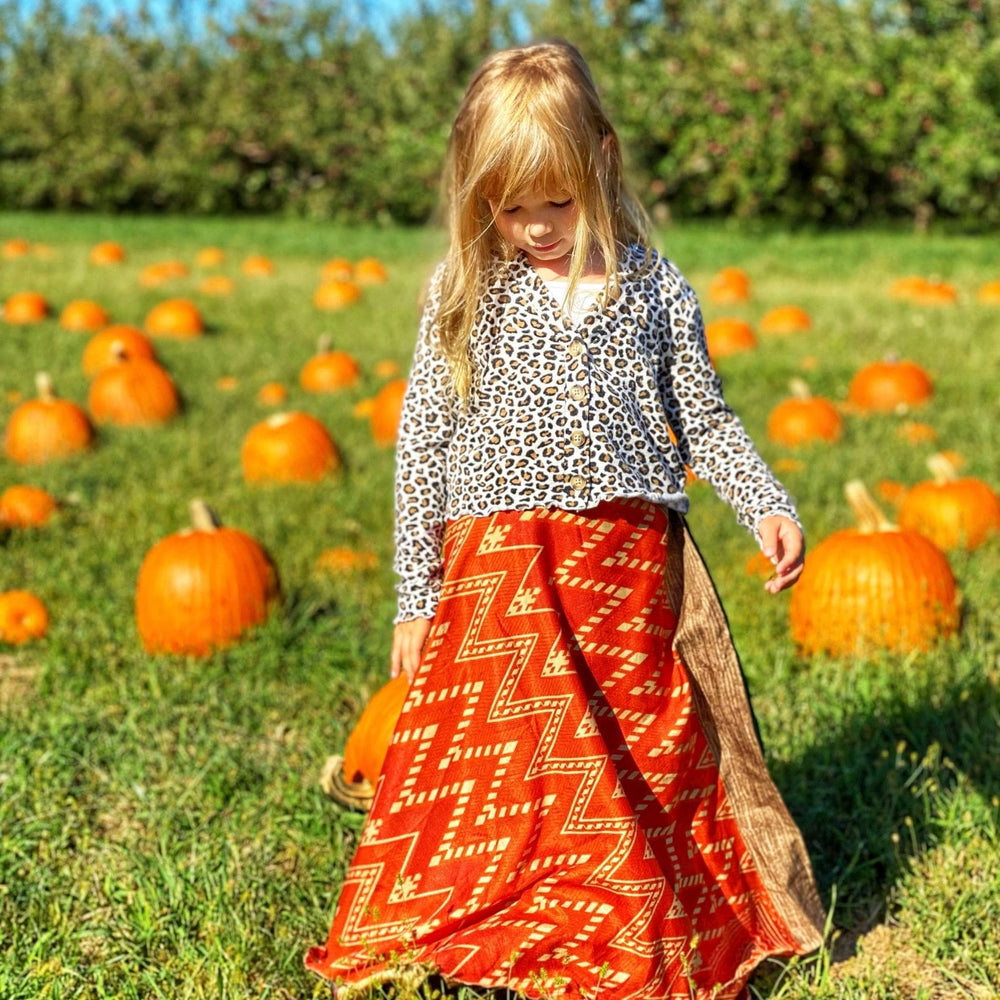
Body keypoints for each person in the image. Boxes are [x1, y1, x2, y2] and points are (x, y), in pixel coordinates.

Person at [306, 39, 824, 1000]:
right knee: (518, 768)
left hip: (628, 566)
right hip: (503, 568)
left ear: (604, 166)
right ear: (479, 198)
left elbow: (702, 419)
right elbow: (423, 449)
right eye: (511, 208)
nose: (538, 228)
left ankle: (627, 924)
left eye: (559, 202)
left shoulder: (657, 290)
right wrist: (414, 597)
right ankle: (514, 913)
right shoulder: (466, 292)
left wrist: (766, 504)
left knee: (635, 757)